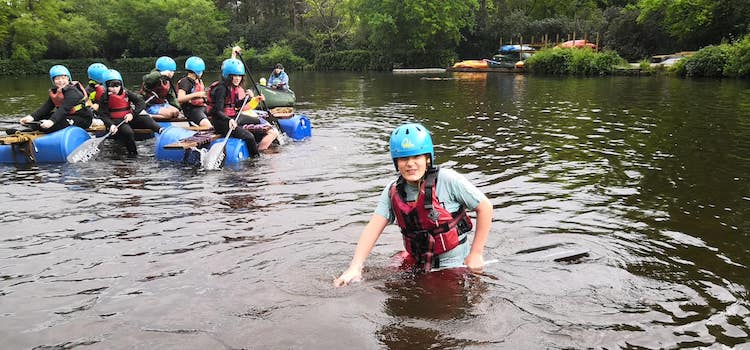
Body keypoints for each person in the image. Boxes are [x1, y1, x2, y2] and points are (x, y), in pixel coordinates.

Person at [333, 123, 493, 287]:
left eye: (416, 157)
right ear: (396, 162)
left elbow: (485, 207)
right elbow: (372, 229)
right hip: (418, 261)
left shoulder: (448, 180)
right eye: (403, 158)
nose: (410, 163)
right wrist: (355, 267)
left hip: (453, 263)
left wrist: (476, 253)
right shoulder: (392, 191)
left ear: (427, 158)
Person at [207, 47, 278, 155]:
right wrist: (228, 120)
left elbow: (237, 105)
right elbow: (217, 111)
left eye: (239, 76)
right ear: (228, 76)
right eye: (234, 76)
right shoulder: (221, 88)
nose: (237, 78)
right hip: (221, 122)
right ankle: (255, 160)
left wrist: (250, 98)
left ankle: (267, 136)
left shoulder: (232, 87)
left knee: (257, 120)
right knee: (249, 137)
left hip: (233, 118)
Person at [98, 69, 162, 155]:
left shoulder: (126, 93)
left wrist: (132, 114)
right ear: (106, 86)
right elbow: (103, 115)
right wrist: (111, 125)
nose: (115, 89)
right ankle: (133, 154)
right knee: (128, 132)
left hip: (129, 117)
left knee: (146, 119)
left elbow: (141, 103)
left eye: (117, 85)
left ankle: (160, 130)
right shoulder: (104, 98)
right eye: (111, 86)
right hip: (116, 121)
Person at [19, 65, 95, 133]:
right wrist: (31, 117)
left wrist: (51, 121)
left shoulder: (73, 91)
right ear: (53, 81)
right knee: (39, 119)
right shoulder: (56, 92)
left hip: (82, 118)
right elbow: (45, 108)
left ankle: (34, 129)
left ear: (68, 79)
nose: (61, 81)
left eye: (63, 78)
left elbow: (64, 109)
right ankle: (28, 129)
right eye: (57, 79)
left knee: (54, 124)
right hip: (67, 116)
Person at [177, 56, 211, 128]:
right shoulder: (185, 82)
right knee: (207, 125)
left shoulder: (198, 80)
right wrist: (196, 95)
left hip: (202, 107)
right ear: (197, 71)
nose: (202, 73)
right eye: (201, 71)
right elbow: (180, 98)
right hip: (192, 110)